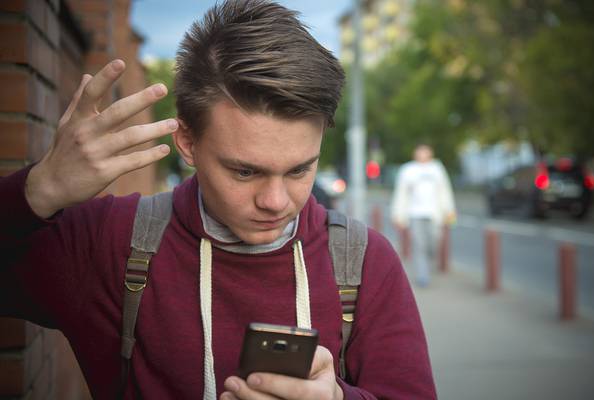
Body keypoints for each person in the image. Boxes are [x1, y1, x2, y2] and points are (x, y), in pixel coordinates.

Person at [0, 1, 436, 399]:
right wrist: (37, 192)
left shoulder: (362, 261)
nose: (276, 201)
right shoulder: (111, 242)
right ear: (187, 141)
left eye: (300, 169)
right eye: (245, 171)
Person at [391, 144, 456, 288]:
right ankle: (422, 275)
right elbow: (401, 194)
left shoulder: (437, 169)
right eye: (420, 152)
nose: (422, 155)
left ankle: (428, 262)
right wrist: (398, 214)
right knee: (419, 244)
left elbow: (445, 191)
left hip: (434, 214)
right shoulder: (408, 170)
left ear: (430, 154)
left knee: (434, 243)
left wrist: (449, 210)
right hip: (415, 213)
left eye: (425, 152)